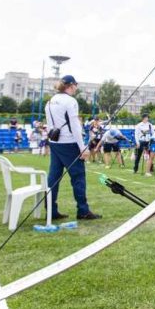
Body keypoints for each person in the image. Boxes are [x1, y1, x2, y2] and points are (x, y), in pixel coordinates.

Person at [45, 76, 100, 220]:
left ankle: (51, 210)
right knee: (78, 178)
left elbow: (50, 126)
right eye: (76, 84)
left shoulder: (49, 102)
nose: (76, 87)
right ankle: (83, 211)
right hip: (69, 144)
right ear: (71, 86)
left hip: (55, 142)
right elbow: (75, 126)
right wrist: (83, 147)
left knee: (53, 177)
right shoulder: (70, 101)